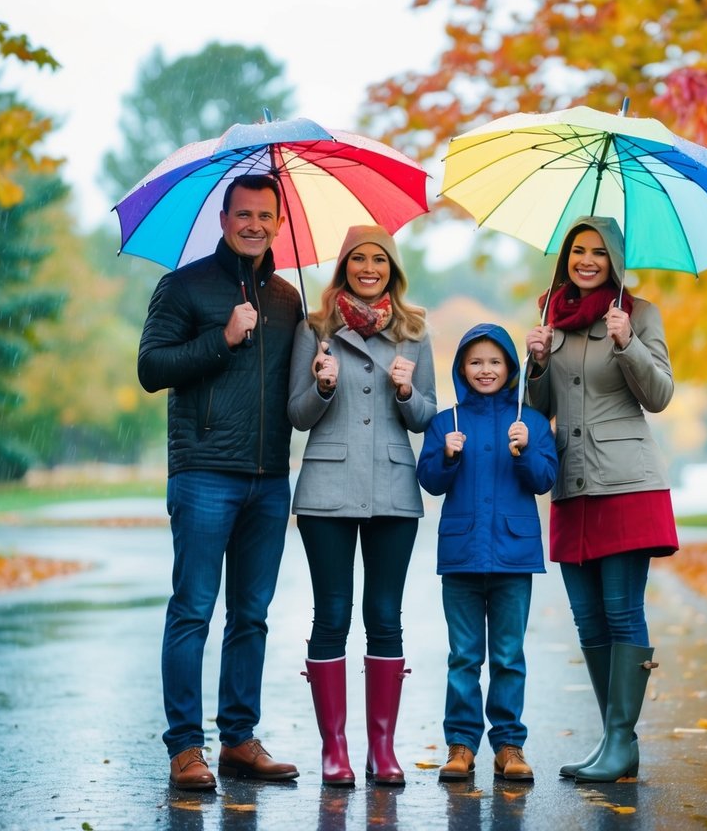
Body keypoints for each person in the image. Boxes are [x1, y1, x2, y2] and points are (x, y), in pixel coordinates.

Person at [138, 174, 303, 790]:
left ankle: (238, 738)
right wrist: (222, 338)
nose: (254, 224)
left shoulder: (288, 300)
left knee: (252, 615)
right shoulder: (182, 286)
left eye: (265, 214)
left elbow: (296, 388)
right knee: (193, 611)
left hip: (268, 477)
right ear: (223, 219)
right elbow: (151, 368)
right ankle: (185, 748)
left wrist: (319, 369)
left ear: (279, 223)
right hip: (204, 472)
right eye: (243, 214)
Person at [523, 215, 678, 784]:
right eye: (577, 251)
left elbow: (659, 394)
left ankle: (621, 740)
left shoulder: (639, 314)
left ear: (615, 260)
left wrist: (628, 343)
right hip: (573, 481)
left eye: (598, 253)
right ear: (566, 257)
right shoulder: (549, 316)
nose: (587, 261)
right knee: (587, 619)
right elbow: (536, 410)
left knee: (620, 610)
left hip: (627, 481)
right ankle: (613, 738)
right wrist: (535, 363)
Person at [288, 225, 436, 787]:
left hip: (394, 491)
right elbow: (296, 415)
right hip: (327, 490)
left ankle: (383, 749)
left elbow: (426, 417)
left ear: (391, 269)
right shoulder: (316, 329)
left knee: (384, 617)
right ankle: (336, 750)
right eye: (358, 259)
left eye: (379, 260)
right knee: (332, 614)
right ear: (344, 266)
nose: (368, 268)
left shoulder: (414, 332)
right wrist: (322, 385)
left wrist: (406, 392)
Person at [416, 323, 558, 783]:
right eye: (475, 362)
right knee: (463, 656)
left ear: (511, 369)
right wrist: (448, 456)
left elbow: (543, 479)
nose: (485, 370)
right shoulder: (446, 422)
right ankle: (460, 745)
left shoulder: (530, 422)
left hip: (513, 558)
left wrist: (523, 451)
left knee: (508, 655)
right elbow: (430, 481)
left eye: (495, 362)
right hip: (461, 557)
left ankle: (509, 746)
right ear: (461, 368)